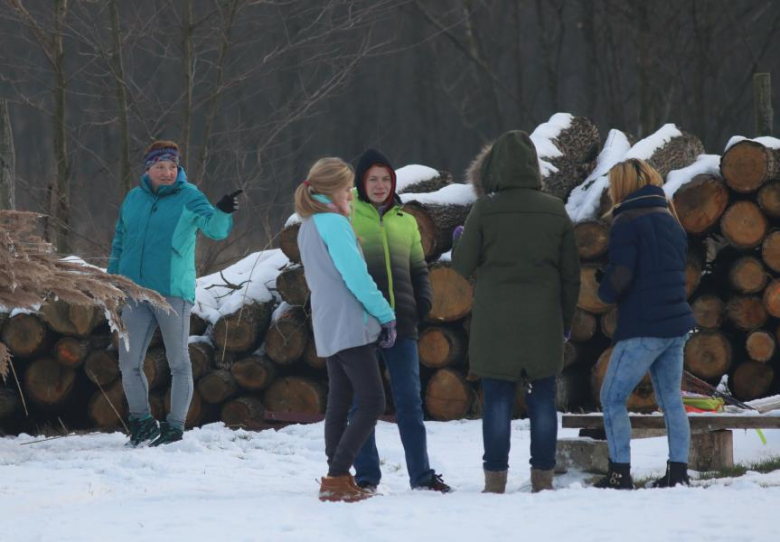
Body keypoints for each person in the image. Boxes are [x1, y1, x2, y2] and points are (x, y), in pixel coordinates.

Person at [452, 130, 581, 494]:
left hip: (495, 322)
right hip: (544, 321)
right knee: (543, 398)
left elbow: (461, 266)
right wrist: (565, 320)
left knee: (497, 399)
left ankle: (495, 480)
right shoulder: (555, 210)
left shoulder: (485, 209)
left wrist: (460, 237)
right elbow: (571, 276)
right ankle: (542, 477)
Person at [108, 140, 240, 447]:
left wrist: (221, 212)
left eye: (172, 166)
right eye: (160, 167)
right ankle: (141, 422)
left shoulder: (189, 196)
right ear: (148, 169)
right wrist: (112, 282)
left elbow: (215, 229)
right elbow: (119, 240)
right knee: (129, 363)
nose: (168, 172)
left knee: (178, 361)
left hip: (172, 292)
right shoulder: (134, 199)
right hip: (134, 292)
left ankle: (174, 426)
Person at [294, 157, 397, 503]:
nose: (351, 196)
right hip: (349, 322)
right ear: (330, 191)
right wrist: (385, 315)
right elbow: (356, 277)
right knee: (372, 400)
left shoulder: (308, 225)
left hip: (327, 322)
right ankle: (337, 476)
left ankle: (336, 476)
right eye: (347, 190)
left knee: (340, 401)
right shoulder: (333, 224)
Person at [349, 149, 451, 493]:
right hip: (361, 324)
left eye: (386, 179)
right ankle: (366, 476)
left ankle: (421, 476)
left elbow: (420, 270)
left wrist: (421, 303)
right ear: (362, 182)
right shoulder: (347, 216)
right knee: (363, 402)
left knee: (410, 402)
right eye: (373, 179)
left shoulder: (405, 220)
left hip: (402, 324)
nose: (380, 186)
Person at [594, 158, 695, 489]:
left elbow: (621, 277)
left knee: (612, 398)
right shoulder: (670, 218)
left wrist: (604, 288)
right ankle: (678, 473)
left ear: (621, 186)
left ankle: (619, 473)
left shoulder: (626, 221)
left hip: (643, 326)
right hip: (676, 324)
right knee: (671, 401)